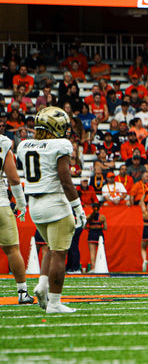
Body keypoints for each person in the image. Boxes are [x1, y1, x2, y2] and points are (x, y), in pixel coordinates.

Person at [15, 107, 83, 314]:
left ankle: (42, 285)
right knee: (60, 254)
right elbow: (65, 179)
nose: (66, 129)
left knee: (51, 248)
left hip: (35, 205)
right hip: (55, 203)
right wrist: (77, 207)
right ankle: (54, 303)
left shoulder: (24, 145)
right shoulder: (61, 145)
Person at [0, 133, 29, 304]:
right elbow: (14, 178)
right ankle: (22, 292)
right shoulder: (3, 142)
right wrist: (22, 204)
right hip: (1, 204)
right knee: (12, 250)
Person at [86, 205, 105, 271]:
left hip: (91, 235)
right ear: (99, 209)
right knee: (100, 251)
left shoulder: (88, 217)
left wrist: (90, 228)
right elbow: (105, 228)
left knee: (92, 253)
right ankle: (101, 267)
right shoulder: (102, 217)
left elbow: (84, 227)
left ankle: (93, 267)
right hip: (100, 235)